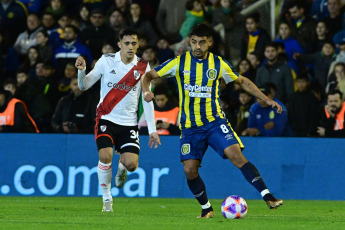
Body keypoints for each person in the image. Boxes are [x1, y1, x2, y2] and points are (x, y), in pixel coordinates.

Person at [141, 24, 283, 218]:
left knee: (237, 157)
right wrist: (147, 90)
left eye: (201, 42)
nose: (197, 46)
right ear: (189, 41)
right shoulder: (178, 62)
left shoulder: (218, 63)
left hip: (215, 122)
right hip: (190, 128)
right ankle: (206, 208)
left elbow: (241, 81)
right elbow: (148, 75)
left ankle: (268, 196)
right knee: (190, 170)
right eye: (193, 42)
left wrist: (265, 99)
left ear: (209, 42)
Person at [75, 28, 161, 212]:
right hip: (106, 118)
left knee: (131, 165)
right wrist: (81, 72)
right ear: (119, 44)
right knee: (105, 156)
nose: (131, 47)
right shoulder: (106, 61)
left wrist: (152, 129)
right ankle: (107, 200)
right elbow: (83, 86)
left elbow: (147, 99)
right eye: (127, 43)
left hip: (129, 123)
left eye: (134, 43)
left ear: (138, 45)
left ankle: (122, 166)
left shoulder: (144, 67)